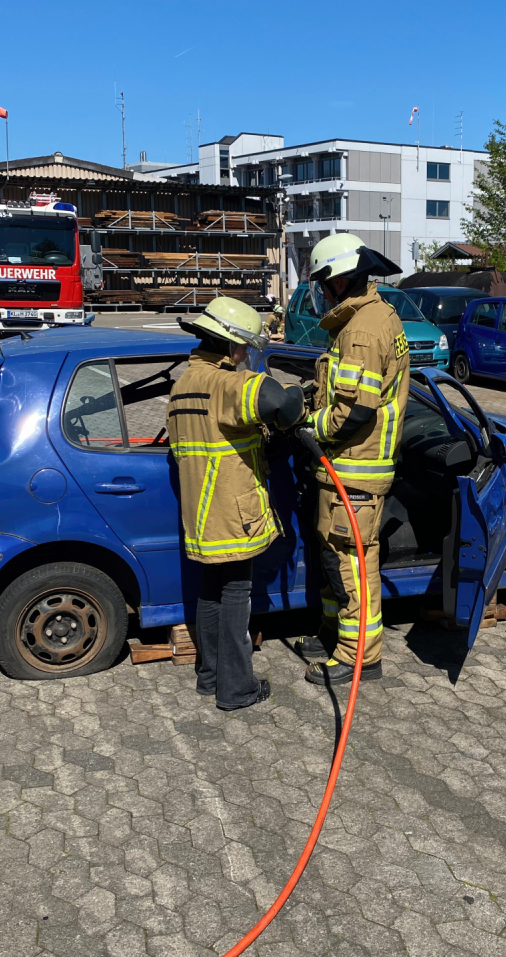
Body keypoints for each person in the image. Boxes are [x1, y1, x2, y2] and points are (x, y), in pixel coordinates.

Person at [168, 297, 304, 710]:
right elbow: (278, 401)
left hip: (201, 511)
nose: (246, 355)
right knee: (236, 596)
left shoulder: (183, 385)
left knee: (212, 592)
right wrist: (299, 395)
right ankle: (237, 689)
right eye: (244, 347)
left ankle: (209, 677)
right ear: (230, 346)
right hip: (233, 512)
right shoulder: (223, 383)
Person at [294, 233, 409, 686]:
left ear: (343, 279)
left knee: (351, 566)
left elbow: (355, 410)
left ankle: (358, 656)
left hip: (354, 470)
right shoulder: (375, 316)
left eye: (325, 281)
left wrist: (309, 429)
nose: (322, 291)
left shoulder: (360, 331)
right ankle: (330, 635)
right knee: (332, 559)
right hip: (346, 469)